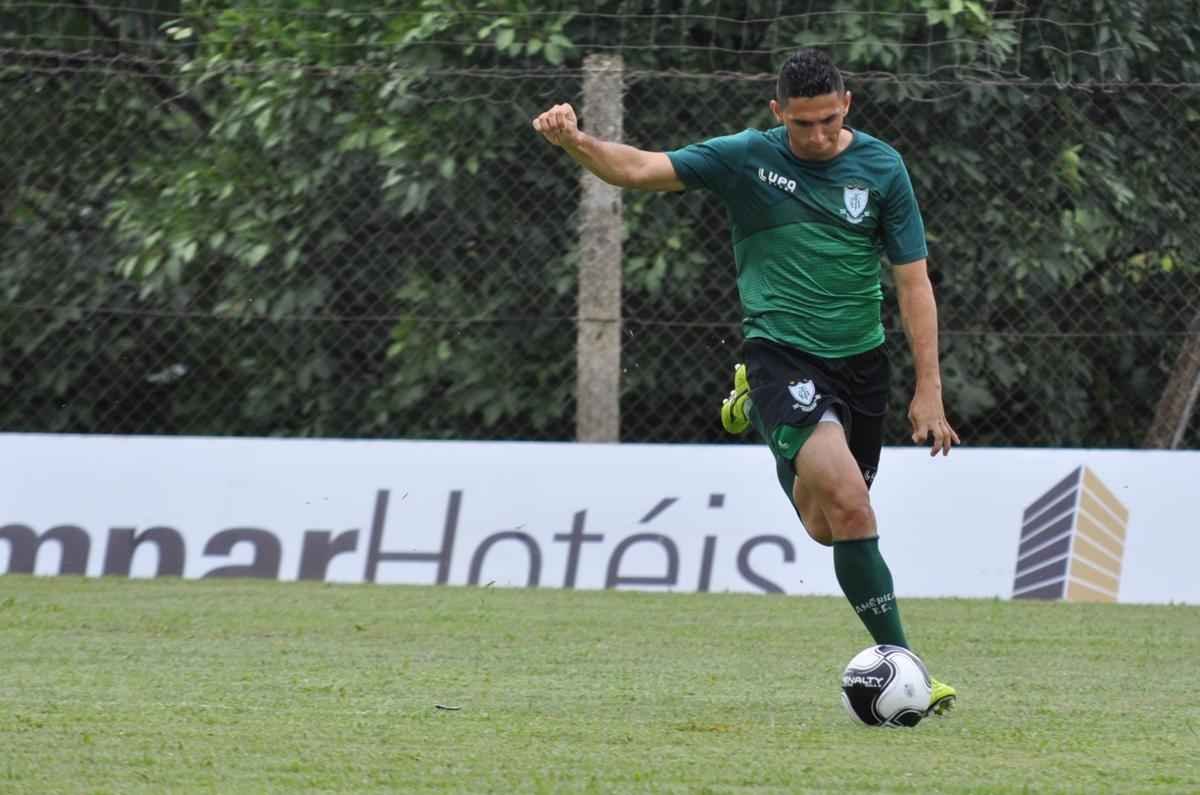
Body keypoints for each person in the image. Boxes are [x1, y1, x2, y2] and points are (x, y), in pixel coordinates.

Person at [532, 48, 959, 715]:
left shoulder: (882, 168)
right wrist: (575, 141)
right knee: (851, 503)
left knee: (828, 526)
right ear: (777, 112)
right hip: (781, 355)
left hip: (862, 364)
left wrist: (928, 387)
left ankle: (758, 414)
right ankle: (912, 672)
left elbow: (913, 283)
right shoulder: (747, 157)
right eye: (802, 123)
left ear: (847, 105)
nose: (817, 135)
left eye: (828, 120)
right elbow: (639, 168)